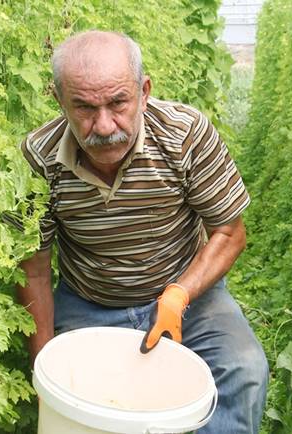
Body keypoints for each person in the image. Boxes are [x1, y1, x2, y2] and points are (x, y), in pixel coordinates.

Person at [15, 30, 268, 433]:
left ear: (144, 91)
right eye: (83, 107)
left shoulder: (185, 135)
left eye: (118, 103)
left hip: (189, 297)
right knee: (86, 402)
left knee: (242, 367)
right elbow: (35, 269)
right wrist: (44, 365)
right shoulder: (39, 159)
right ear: (58, 99)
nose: (104, 125)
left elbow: (229, 232)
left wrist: (179, 294)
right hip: (89, 303)